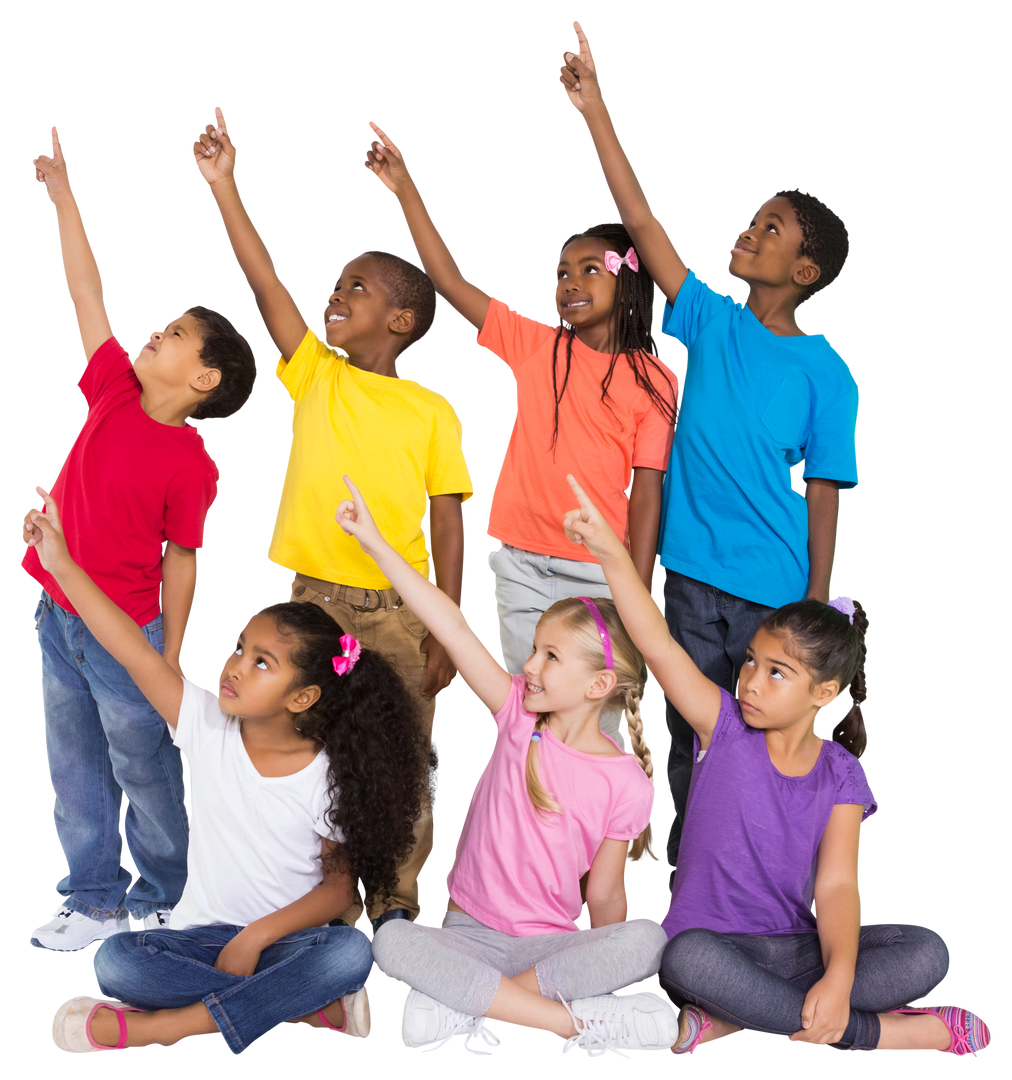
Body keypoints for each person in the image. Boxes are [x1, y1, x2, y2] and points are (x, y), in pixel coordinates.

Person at [557, 20, 860, 867]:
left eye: (772, 229)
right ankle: (695, 912)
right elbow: (642, 218)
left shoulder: (828, 373)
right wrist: (595, 112)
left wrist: (814, 611)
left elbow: (824, 493)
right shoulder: (709, 320)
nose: (750, 233)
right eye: (752, 221)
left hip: (773, 597)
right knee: (695, 752)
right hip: (687, 586)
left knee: (764, 755)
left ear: (805, 272)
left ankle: (766, 898)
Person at [561, 475, 992, 1058]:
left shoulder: (842, 775)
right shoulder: (723, 726)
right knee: (680, 955)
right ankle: (879, 1033)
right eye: (751, 663)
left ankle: (739, 1018)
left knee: (927, 950)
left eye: (775, 672)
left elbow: (838, 886)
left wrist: (838, 977)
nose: (748, 681)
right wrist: (612, 553)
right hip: (711, 947)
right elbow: (659, 645)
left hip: (796, 946)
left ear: (825, 693)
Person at [191, 106, 475, 925]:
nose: (335, 292)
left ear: (402, 321)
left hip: (398, 617)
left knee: (397, 764)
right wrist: (225, 187)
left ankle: (388, 903)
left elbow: (448, 521)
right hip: (309, 606)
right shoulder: (314, 373)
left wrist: (445, 630)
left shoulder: (432, 410)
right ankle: (296, 896)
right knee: (297, 750)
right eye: (337, 281)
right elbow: (266, 283)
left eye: (359, 285)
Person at [25, 486, 426, 1057]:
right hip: (197, 938)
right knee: (115, 961)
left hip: (289, 940)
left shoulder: (328, 774)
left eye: (262, 662)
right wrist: (60, 562)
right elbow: (132, 649)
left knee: (351, 953)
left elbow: (340, 887)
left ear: (303, 696)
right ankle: (300, 1011)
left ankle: (165, 1029)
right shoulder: (205, 722)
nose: (235, 666)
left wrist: (258, 937)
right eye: (240, 647)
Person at [362, 120, 678, 781]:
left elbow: (648, 491)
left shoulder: (655, 380)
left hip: (602, 575)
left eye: (589, 269)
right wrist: (404, 188)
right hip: (523, 569)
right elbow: (448, 279)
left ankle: (602, 856)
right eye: (560, 271)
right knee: (526, 711)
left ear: (631, 280)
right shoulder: (538, 346)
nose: (567, 282)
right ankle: (533, 841)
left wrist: (636, 594)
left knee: (603, 723)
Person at [334, 477, 677, 1061]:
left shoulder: (626, 780)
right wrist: (374, 543)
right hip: (469, 938)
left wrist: (610, 957)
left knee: (649, 939)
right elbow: (451, 624)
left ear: (598, 684)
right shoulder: (518, 713)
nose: (531, 663)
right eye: (534, 648)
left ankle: (470, 1006)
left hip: (552, 950)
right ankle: (566, 1024)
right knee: (390, 940)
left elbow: (606, 894)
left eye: (550, 655)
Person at [22, 125, 259, 954]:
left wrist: (167, 659)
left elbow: (182, 564)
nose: (151, 334)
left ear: (203, 381)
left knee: (147, 771)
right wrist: (64, 196)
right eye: (160, 325)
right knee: (73, 767)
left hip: (132, 640)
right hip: (57, 618)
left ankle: (168, 892)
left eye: (174, 335)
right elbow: (89, 297)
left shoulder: (193, 465)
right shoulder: (114, 392)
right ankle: (92, 895)